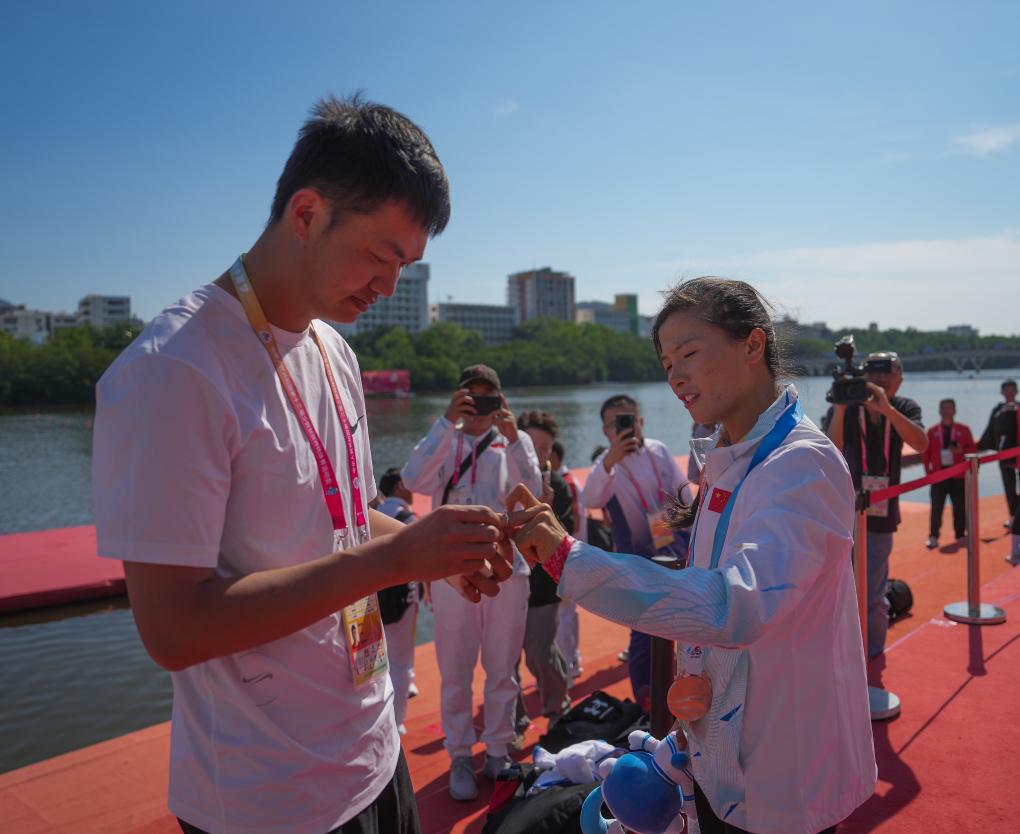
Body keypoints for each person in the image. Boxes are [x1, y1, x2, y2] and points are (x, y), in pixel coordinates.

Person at [91, 96, 516, 834]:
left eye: (406, 266)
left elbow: (343, 519)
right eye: (380, 256)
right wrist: (396, 562)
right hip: (270, 797)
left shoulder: (333, 349)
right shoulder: (174, 370)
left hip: (374, 751)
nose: (389, 286)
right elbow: (173, 629)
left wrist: (436, 553)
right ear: (308, 213)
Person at [506, 277, 875, 834]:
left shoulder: (801, 464)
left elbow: (732, 606)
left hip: (785, 768)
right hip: (722, 749)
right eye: (666, 363)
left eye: (690, 353)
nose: (675, 376)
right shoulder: (730, 457)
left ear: (753, 345)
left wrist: (569, 560)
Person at [401, 364, 542, 800]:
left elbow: (534, 490)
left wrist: (515, 437)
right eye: (471, 395)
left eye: (487, 395)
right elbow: (411, 480)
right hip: (453, 570)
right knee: (455, 671)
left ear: (500, 399)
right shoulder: (446, 440)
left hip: (507, 568)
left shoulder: (512, 442)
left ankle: (498, 750)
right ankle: (460, 753)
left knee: (503, 668)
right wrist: (447, 422)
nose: (479, 404)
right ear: (459, 397)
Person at [580, 394, 693, 708]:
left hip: (677, 551)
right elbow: (590, 500)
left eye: (630, 420)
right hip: (637, 561)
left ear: (641, 421)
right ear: (606, 431)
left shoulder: (659, 450)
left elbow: (684, 494)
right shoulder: (605, 466)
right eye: (618, 424)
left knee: (688, 624)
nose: (627, 428)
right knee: (643, 632)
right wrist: (611, 459)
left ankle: (686, 696)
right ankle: (646, 704)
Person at [824, 352, 927, 659]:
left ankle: (872, 652)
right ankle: (843, 646)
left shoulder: (904, 407)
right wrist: (840, 408)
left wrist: (887, 410)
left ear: (900, 379)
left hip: (881, 511)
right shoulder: (848, 405)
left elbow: (921, 444)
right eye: (874, 375)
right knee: (838, 585)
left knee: (874, 590)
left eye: (887, 375)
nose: (880, 381)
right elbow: (830, 449)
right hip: (844, 511)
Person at [514, 410, 572, 728]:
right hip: (506, 583)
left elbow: (564, 537)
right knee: (505, 660)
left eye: (545, 448)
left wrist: (545, 507)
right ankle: (515, 722)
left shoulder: (558, 486)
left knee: (538, 652)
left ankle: (557, 708)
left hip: (542, 587)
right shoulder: (502, 480)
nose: (538, 455)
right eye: (532, 446)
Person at [375, 468, 421, 735]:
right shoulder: (407, 518)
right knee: (402, 663)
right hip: (403, 597)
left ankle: (382, 713)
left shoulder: (374, 515)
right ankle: (397, 722)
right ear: (399, 486)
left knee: (382, 660)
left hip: (375, 595)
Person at [922, 399, 977, 549]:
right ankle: (933, 536)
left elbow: (972, 450)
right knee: (936, 507)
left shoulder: (964, 429)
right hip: (939, 475)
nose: (946, 411)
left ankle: (960, 534)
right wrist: (929, 473)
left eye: (949, 408)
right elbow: (926, 454)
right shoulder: (932, 431)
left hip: (958, 474)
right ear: (940, 411)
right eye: (944, 408)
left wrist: (961, 451)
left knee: (959, 506)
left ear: (955, 410)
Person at [551, 439, 584, 683]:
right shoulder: (571, 479)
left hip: (566, 556)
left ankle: (567, 667)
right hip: (575, 555)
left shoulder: (564, 483)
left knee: (562, 616)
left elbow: (575, 522)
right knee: (570, 613)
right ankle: (573, 660)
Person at [979, 378, 1019, 535]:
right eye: (1007, 390)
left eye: (1012, 389)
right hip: (1004, 454)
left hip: (1019, 453)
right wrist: (979, 447)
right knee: (1009, 486)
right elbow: (990, 430)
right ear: (1002, 392)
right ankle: (1013, 515)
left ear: (1017, 391)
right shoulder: (997, 410)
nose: (1010, 392)